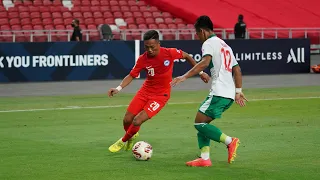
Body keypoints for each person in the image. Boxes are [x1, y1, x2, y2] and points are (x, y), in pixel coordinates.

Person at [108, 30, 210, 153]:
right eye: (146, 47)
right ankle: (131, 136)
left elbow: (187, 56)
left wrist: (201, 72)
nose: (150, 50)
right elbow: (131, 75)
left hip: (161, 95)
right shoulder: (142, 59)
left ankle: (123, 141)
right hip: (144, 91)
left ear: (158, 43)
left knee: (137, 120)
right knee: (127, 120)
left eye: (152, 47)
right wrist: (118, 88)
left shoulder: (169, 53)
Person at [171, 16, 248, 167]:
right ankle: (205, 159)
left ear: (202, 31)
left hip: (219, 92)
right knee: (203, 124)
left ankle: (230, 141)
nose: (198, 37)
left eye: (197, 34)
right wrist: (238, 91)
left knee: (198, 123)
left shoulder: (209, 43)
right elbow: (237, 69)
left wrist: (184, 76)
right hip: (229, 95)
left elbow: (205, 62)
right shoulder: (225, 45)